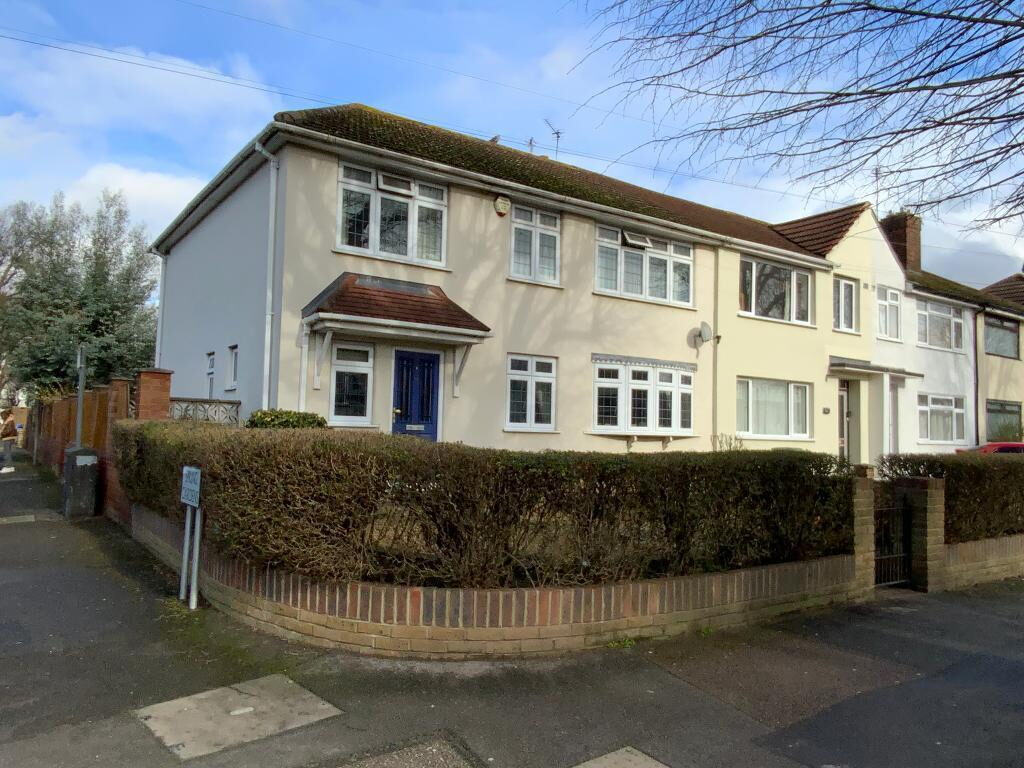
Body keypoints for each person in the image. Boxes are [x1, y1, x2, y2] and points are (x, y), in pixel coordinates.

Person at [1, 409, 16, 473]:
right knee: (7, 452)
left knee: (7, 453)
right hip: (8, 438)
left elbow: (9, 430)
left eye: (2, 415)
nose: (2, 417)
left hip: (8, 438)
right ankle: (10, 467)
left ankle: (8, 467)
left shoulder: (9, 421)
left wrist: (2, 433)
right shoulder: (8, 421)